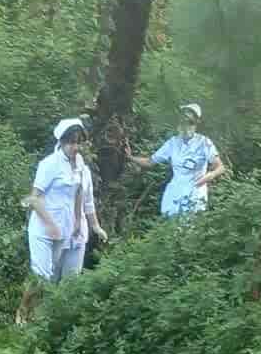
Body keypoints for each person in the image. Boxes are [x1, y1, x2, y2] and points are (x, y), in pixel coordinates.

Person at [16, 117, 110, 325]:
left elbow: (84, 199)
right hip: (44, 230)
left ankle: (51, 322)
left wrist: (91, 225)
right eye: (70, 142)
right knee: (42, 277)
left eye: (78, 142)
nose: (74, 147)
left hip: (69, 231)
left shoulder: (81, 167)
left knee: (68, 281)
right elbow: (34, 198)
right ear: (61, 141)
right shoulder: (49, 164)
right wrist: (51, 226)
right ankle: (23, 316)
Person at [127, 103, 226, 218]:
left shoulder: (204, 143)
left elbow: (220, 167)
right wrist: (130, 157)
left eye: (189, 119)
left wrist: (210, 175)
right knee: (169, 228)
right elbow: (150, 162)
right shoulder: (172, 143)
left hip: (195, 194)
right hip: (174, 193)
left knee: (190, 229)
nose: (185, 121)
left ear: (196, 122)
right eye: (183, 118)